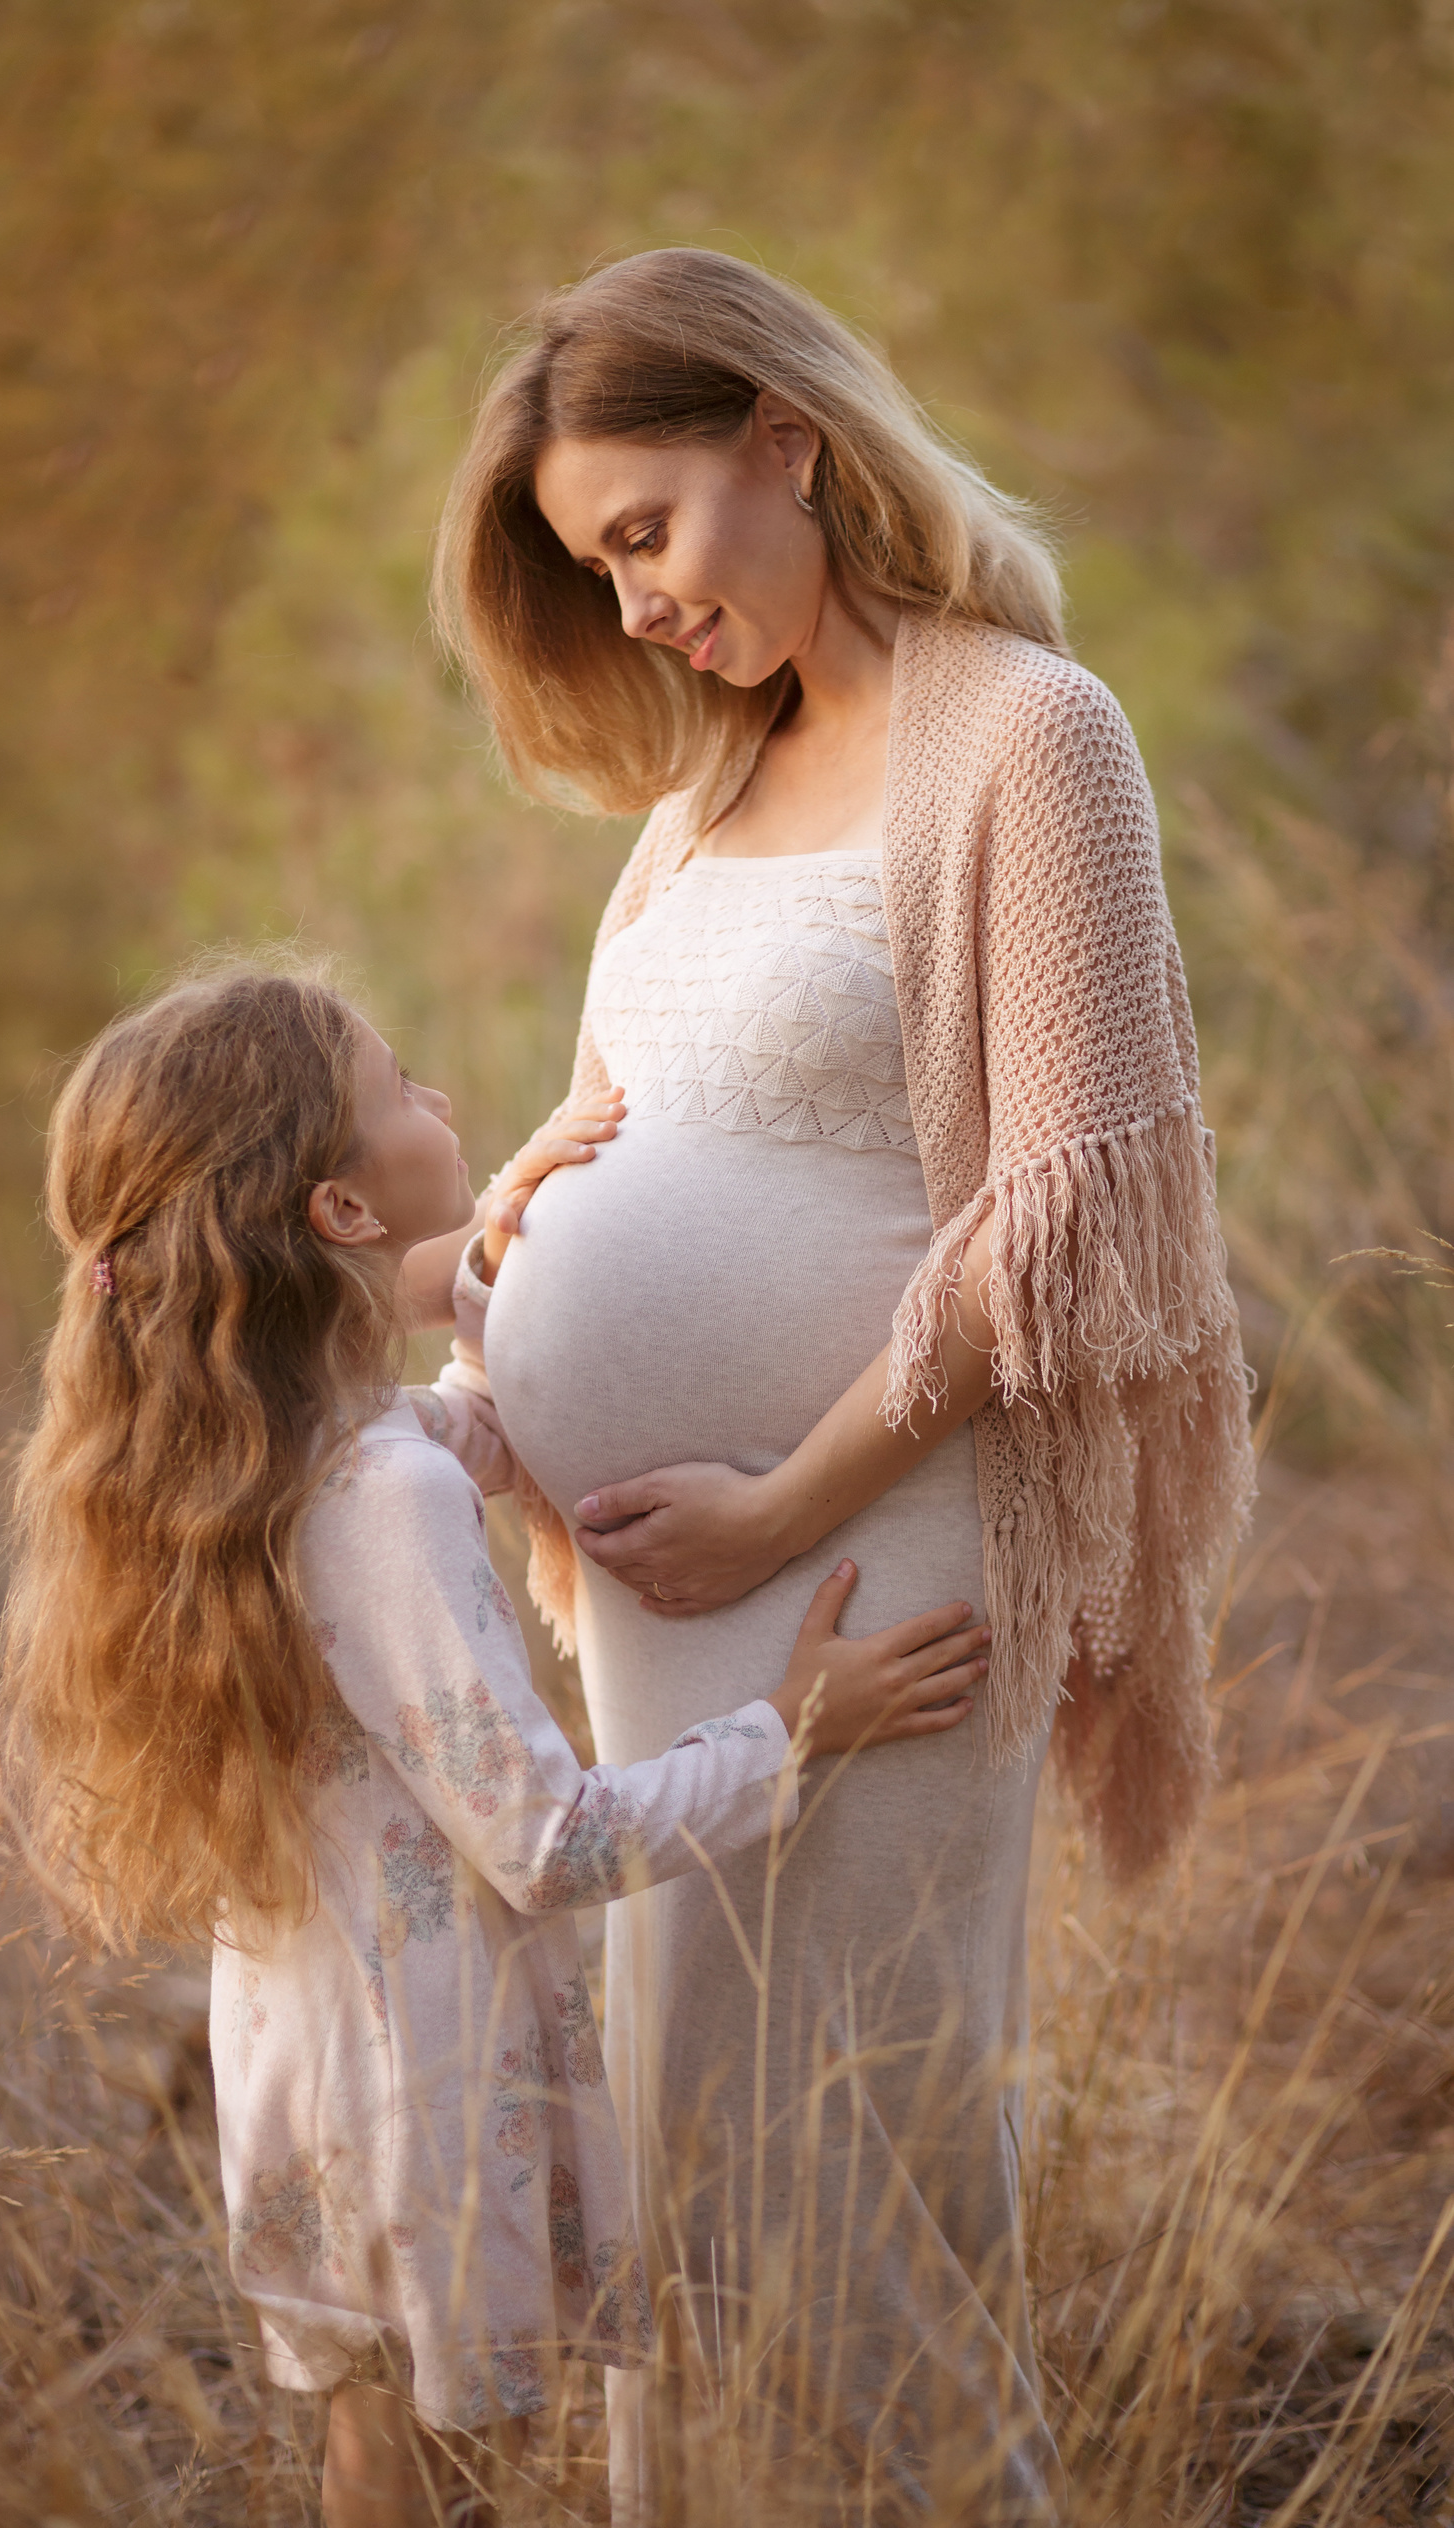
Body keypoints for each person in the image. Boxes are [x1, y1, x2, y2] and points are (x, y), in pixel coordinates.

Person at [424, 247, 1255, 2519]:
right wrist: (523, 1210)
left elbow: (1062, 1217)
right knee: (680, 2131)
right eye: (598, 571)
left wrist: (781, 1503)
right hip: (660, 1588)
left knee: (860, 2139)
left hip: (863, 1538)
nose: (638, 608)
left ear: (783, 434)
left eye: (646, 532)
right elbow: (625, 1115)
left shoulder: (1022, 735)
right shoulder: (694, 802)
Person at [0, 961, 994, 2527]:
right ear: (338, 1212)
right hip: (430, 2086)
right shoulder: (375, 1502)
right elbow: (550, 1840)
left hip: (316, 2053)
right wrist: (793, 1728)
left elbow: (464, 1421)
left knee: (377, 2455)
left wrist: (513, 1227)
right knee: (459, 2480)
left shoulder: (286, 1464)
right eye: (402, 1097)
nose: (445, 1107)